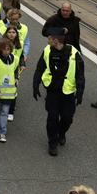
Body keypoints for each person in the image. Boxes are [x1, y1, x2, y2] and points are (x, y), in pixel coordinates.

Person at [33, 28, 85, 156]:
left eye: (49, 38)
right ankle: (52, 143)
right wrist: (35, 85)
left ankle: (61, 133)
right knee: (52, 118)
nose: (48, 40)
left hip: (68, 92)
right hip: (53, 91)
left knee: (67, 118)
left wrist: (80, 93)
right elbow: (40, 68)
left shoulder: (74, 53)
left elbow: (80, 75)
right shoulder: (47, 51)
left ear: (55, 41)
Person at [0, 38, 20, 143]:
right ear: (0, 50)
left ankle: (2, 132)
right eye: (4, 49)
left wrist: (16, 78)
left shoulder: (15, 59)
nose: (7, 51)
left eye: (8, 49)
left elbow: (16, 70)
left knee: (5, 112)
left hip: (9, 93)